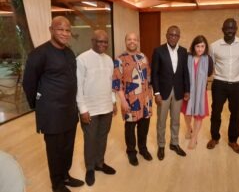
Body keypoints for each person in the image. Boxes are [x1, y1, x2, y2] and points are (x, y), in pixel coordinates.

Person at [22, 16, 84, 192]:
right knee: (55, 149)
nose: (64, 33)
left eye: (67, 30)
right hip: (51, 112)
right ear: (51, 30)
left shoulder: (69, 52)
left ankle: (65, 176)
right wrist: (38, 105)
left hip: (69, 110)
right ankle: (56, 184)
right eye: (60, 29)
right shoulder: (39, 53)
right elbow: (29, 83)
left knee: (68, 146)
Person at [76, 30, 117, 186]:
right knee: (90, 139)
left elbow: (110, 83)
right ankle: (90, 168)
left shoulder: (109, 60)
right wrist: (83, 109)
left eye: (105, 42)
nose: (103, 44)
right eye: (99, 41)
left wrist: (113, 101)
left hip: (106, 106)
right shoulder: (82, 59)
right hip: (90, 109)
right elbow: (78, 86)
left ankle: (100, 163)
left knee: (103, 136)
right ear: (92, 41)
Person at [207, 18, 239, 154]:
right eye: (227, 28)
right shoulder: (214, 46)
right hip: (219, 84)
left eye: (232, 28)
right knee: (216, 112)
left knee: (236, 114)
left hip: (237, 86)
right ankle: (214, 137)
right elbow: (211, 64)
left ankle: (232, 140)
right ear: (222, 29)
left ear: (236, 29)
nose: (229, 31)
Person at [112, 32, 153, 166]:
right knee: (130, 128)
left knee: (144, 126)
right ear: (126, 41)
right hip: (130, 99)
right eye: (129, 39)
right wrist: (122, 101)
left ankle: (143, 149)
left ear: (138, 41)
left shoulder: (143, 57)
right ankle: (131, 152)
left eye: (134, 39)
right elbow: (117, 83)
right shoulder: (119, 60)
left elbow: (148, 77)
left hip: (145, 99)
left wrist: (150, 95)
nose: (132, 41)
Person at [151, 25, 190, 160]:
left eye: (176, 35)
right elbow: (154, 74)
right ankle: (161, 145)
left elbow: (186, 72)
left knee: (176, 120)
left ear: (179, 37)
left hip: (179, 91)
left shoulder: (184, 51)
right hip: (163, 92)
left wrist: (187, 90)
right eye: (171, 35)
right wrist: (156, 93)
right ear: (166, 35)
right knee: (161, 120)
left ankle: (174, 143)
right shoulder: (158, 51)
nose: (173, 37)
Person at [181, 35, 213, 149]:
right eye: (197, 46)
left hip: (200, 92)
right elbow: (183, 73)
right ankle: (188, 127)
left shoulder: (208, 59)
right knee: (186, 112)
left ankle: (194, 137)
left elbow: (209, 73)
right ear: (193, 46)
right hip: (187, 90)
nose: (200, 49)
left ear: (206, 47)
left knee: (199, 114)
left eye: (202, 46)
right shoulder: (187, 57)